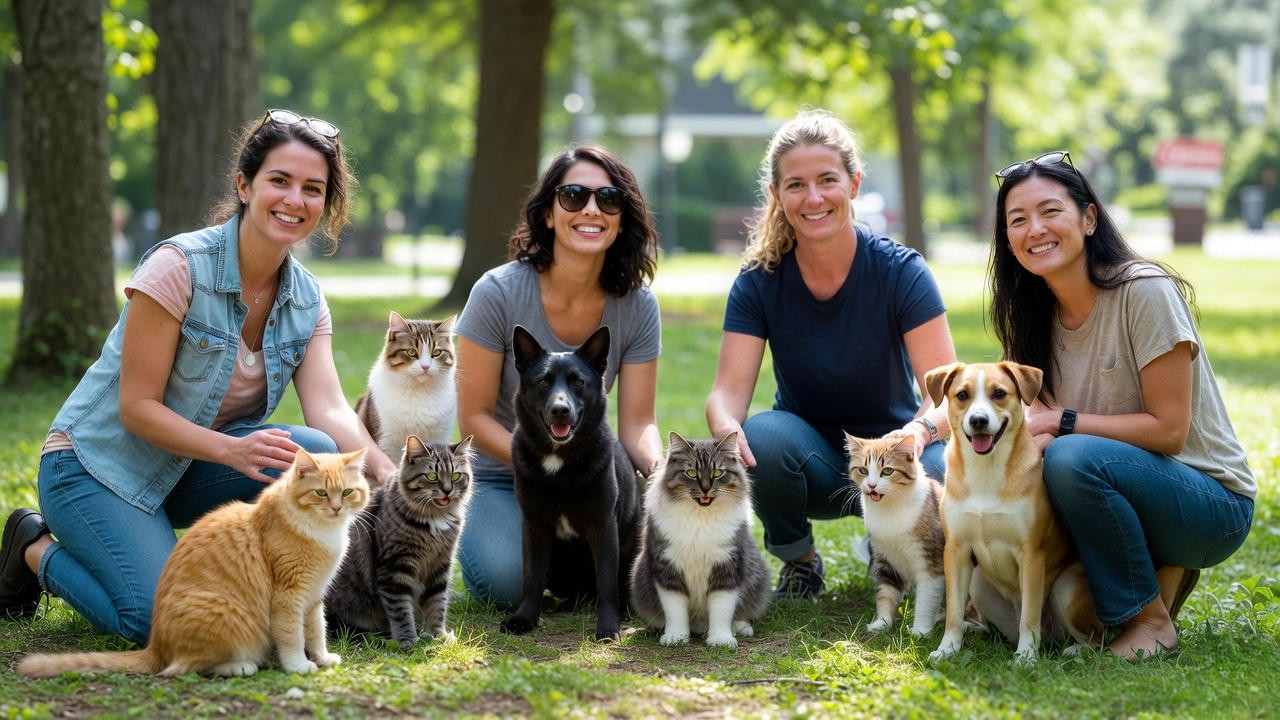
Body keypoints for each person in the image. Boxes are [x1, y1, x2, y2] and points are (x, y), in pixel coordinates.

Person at [0, 109, 398, 642]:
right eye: (279, 181)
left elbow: (327, 408)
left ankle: (229, 574)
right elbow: (136, 406)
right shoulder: (179, 266)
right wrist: (232, 451)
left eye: (312, 188)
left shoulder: (307, 299)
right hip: (95, 467)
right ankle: (33, 548)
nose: (294, 200)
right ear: (244, 184)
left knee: (312, 443)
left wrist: (389, 477)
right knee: (159, 621)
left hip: (185, 467)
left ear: (326, 204)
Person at [989, 150, 1255, 660]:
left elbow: (1170, 432)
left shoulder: (1144, 291)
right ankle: (1146, 581)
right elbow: (1025, 426)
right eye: (1016, 220)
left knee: (1070, 457)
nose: (1034, 229)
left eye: (1050, 211)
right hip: (1127, 488)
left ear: (1089, 218)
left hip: (1210, 503)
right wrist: (926, 434)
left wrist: (1060, 422)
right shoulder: (1032, 319)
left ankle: (1151, 622)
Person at [705, 109, 956, 600]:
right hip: (811, 460)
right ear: (777, 196)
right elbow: (726, 394)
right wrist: (724, 429)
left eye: (827, 180)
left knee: (947, 471)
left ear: (854, 184)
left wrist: (919, 433)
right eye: (796, 185)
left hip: (899, 452)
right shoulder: (759, 281)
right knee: (762, 438)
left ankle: (890, 545)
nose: (814, 197)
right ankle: (801, 563)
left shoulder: (901, 272)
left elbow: (945, 395)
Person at [455, 144, 664, 606]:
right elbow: (472, 418)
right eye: (573, 196)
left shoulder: (638, 305)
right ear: (549, 213)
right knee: (505, 583)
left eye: (608, 200)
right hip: (507, 476)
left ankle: (580, 573)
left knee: (648, 576)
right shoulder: (496, 294)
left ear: (621, 219)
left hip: (592, 476)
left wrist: (661, 471)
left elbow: (636, 423)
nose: (591, 209)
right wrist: (541, 464)